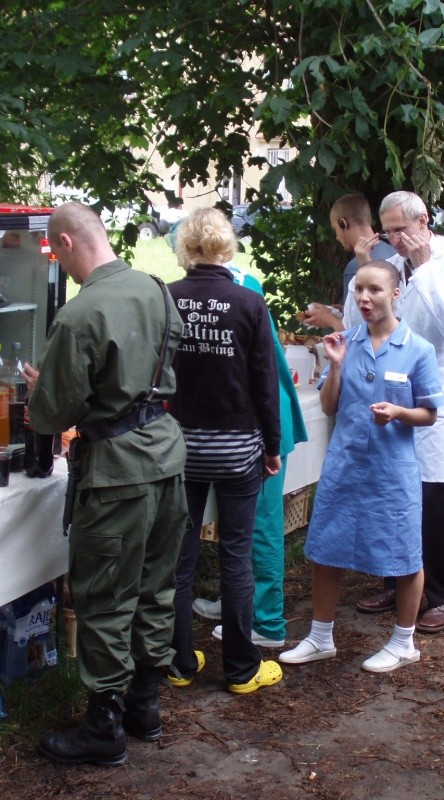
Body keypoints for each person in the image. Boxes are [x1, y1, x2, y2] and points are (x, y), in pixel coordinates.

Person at [23, 201, 188, 767]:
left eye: (56, 254)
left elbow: (51, 415)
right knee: (155, 587)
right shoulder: (157, 289)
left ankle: (103, 728)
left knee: (104, 596)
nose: (61, 267)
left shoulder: (79, 315)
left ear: (67, 242)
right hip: (167, 458)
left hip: (117, 472)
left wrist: (41, 392)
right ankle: (145, 707)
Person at [279, 260, 442, 672]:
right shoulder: (343, 341)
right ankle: (320, 637)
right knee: (326, 549)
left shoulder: (417, 349)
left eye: (375, 290)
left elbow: (429, 413)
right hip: (345, 463)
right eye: (359, 290)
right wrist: (335, 365)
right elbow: (329, 406)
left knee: (405, 553)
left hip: (392, 470)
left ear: (395, 294)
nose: (365, 298)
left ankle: (404, 642)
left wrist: (399, 413)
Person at [166, 207, 285, 694]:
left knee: (180, 558)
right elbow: (265, 384)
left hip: (181, 448)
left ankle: (178, 662)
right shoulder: (249, 303)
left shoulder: (167, 298)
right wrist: (272, 447)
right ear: (226, 246)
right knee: (237, 556)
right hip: (237, 448)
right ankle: (240, 669)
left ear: (185, 247)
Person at [354, 191, 444, 634]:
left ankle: (440, 593)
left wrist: (423, 269)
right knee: (390, 490)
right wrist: (365, 266)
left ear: (423, 221)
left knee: (432, 497)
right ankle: (395, 581)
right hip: (391, 388)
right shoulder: (391, 265)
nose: (394, 239)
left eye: (400, 229)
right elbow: (362, 323)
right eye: (387, 230)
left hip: (435, 392)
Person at [195, 263, 309, 649]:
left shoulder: (239, 289)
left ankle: (268, 621)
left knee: (262, 524)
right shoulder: (238, 281)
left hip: (261, 422)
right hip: (251, 420)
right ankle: (237, 602)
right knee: (239, 523)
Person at [300, 193, 397, 330]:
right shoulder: (394, 252)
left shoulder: (355, 267)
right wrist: (346, 309)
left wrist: (329, 319)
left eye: (335, 229)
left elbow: (356, 331)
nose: (337, 237)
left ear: (343, 223)